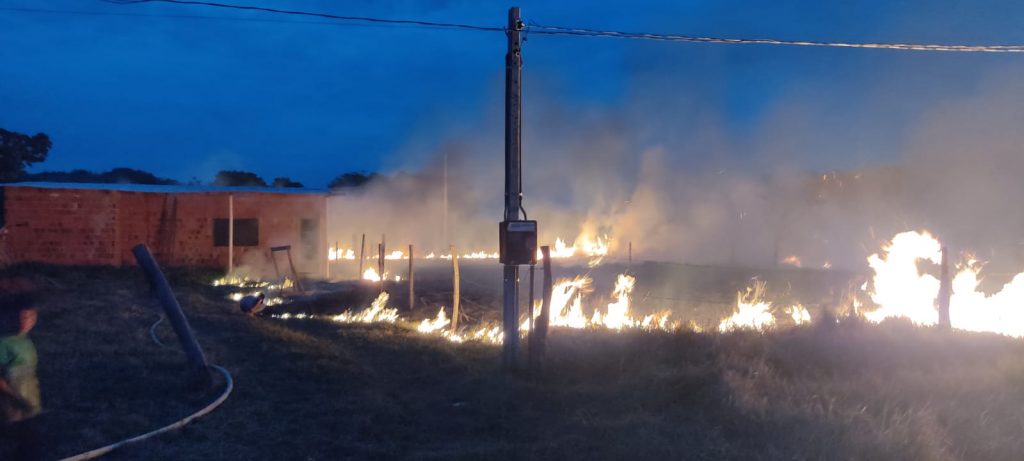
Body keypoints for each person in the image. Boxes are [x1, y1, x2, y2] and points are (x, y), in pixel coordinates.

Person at [0, 291, 41, 461]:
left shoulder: (27, 341)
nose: (26, 321)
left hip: (28, 405)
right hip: (11, 407)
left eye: (30, 317)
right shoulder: (5, 343)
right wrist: (15, 398)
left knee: (28, 447)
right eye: (22, 317)